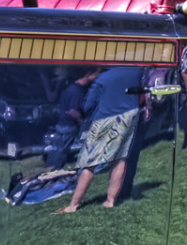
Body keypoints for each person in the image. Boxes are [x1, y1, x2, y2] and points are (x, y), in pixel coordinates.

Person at [59, 65, 144, 213]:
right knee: (120, 159)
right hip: (129, 117)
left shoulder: (103, 79)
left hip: (104, 119)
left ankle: (73, 205)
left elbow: (87, 105)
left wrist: (80, 114)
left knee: (90, 163)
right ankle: (110, 201)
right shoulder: (136, 71)